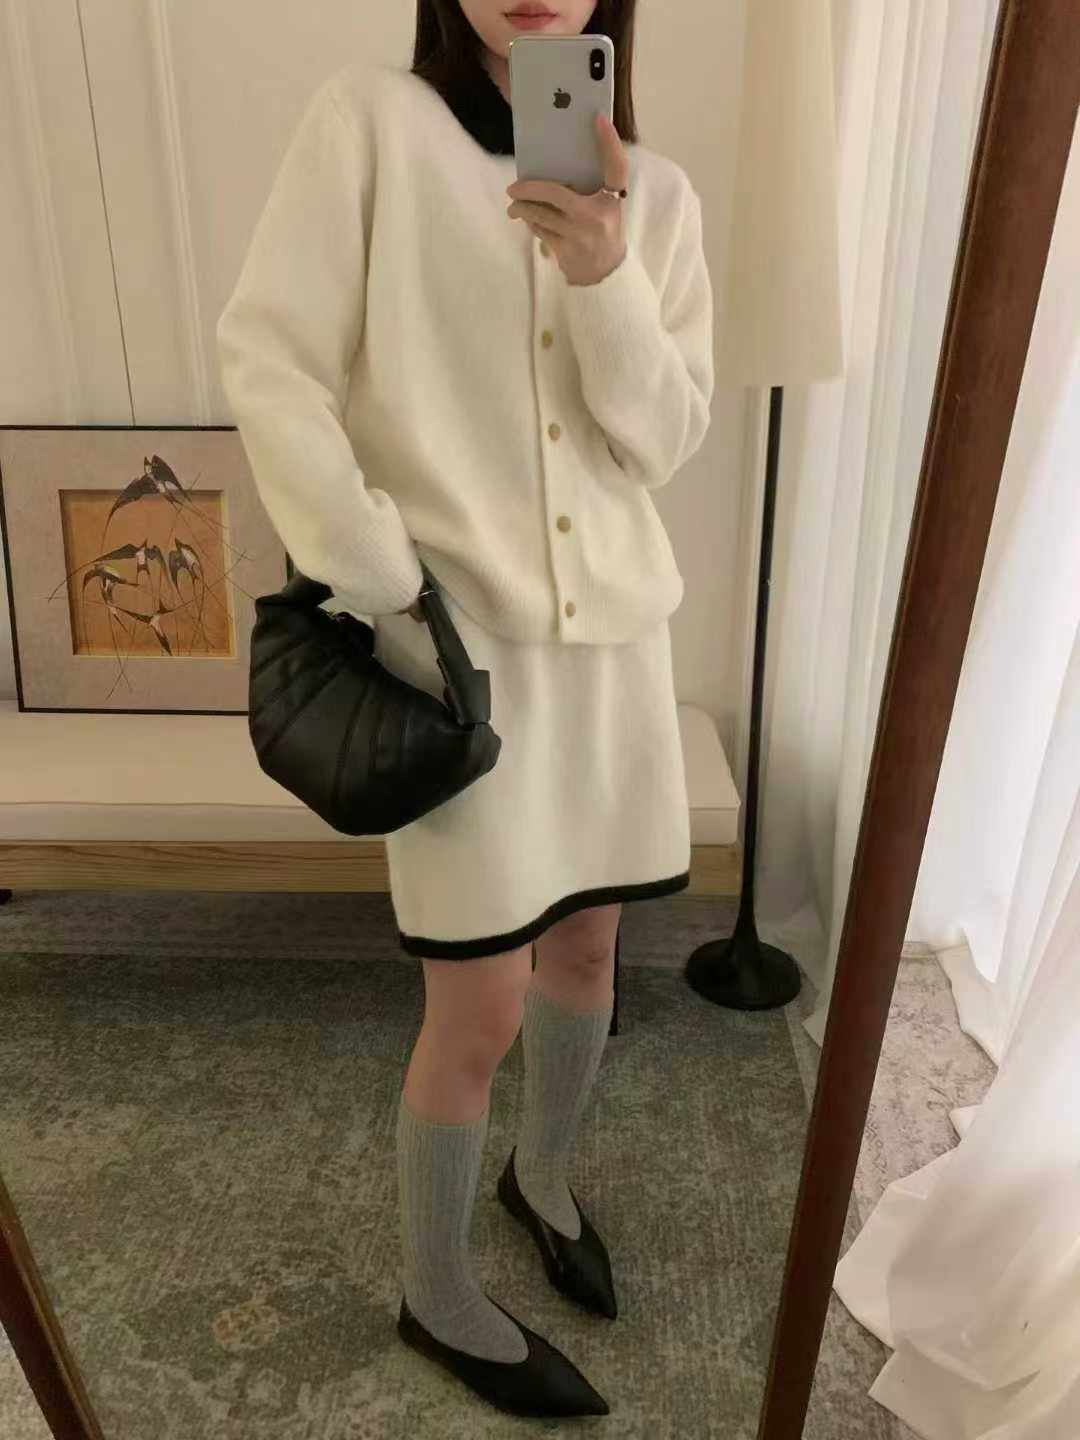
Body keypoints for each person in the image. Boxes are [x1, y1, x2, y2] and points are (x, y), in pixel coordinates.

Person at [216, 0, 714, 1417]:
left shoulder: (658, 195)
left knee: (591, 950)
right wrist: (375, 571)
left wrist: (606, 270)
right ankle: (435, 1292)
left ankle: (542, 1179)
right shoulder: (371, 125)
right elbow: (269, 357)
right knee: (478, 1005)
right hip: (456, 649)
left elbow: (663, 440)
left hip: (614, 649)